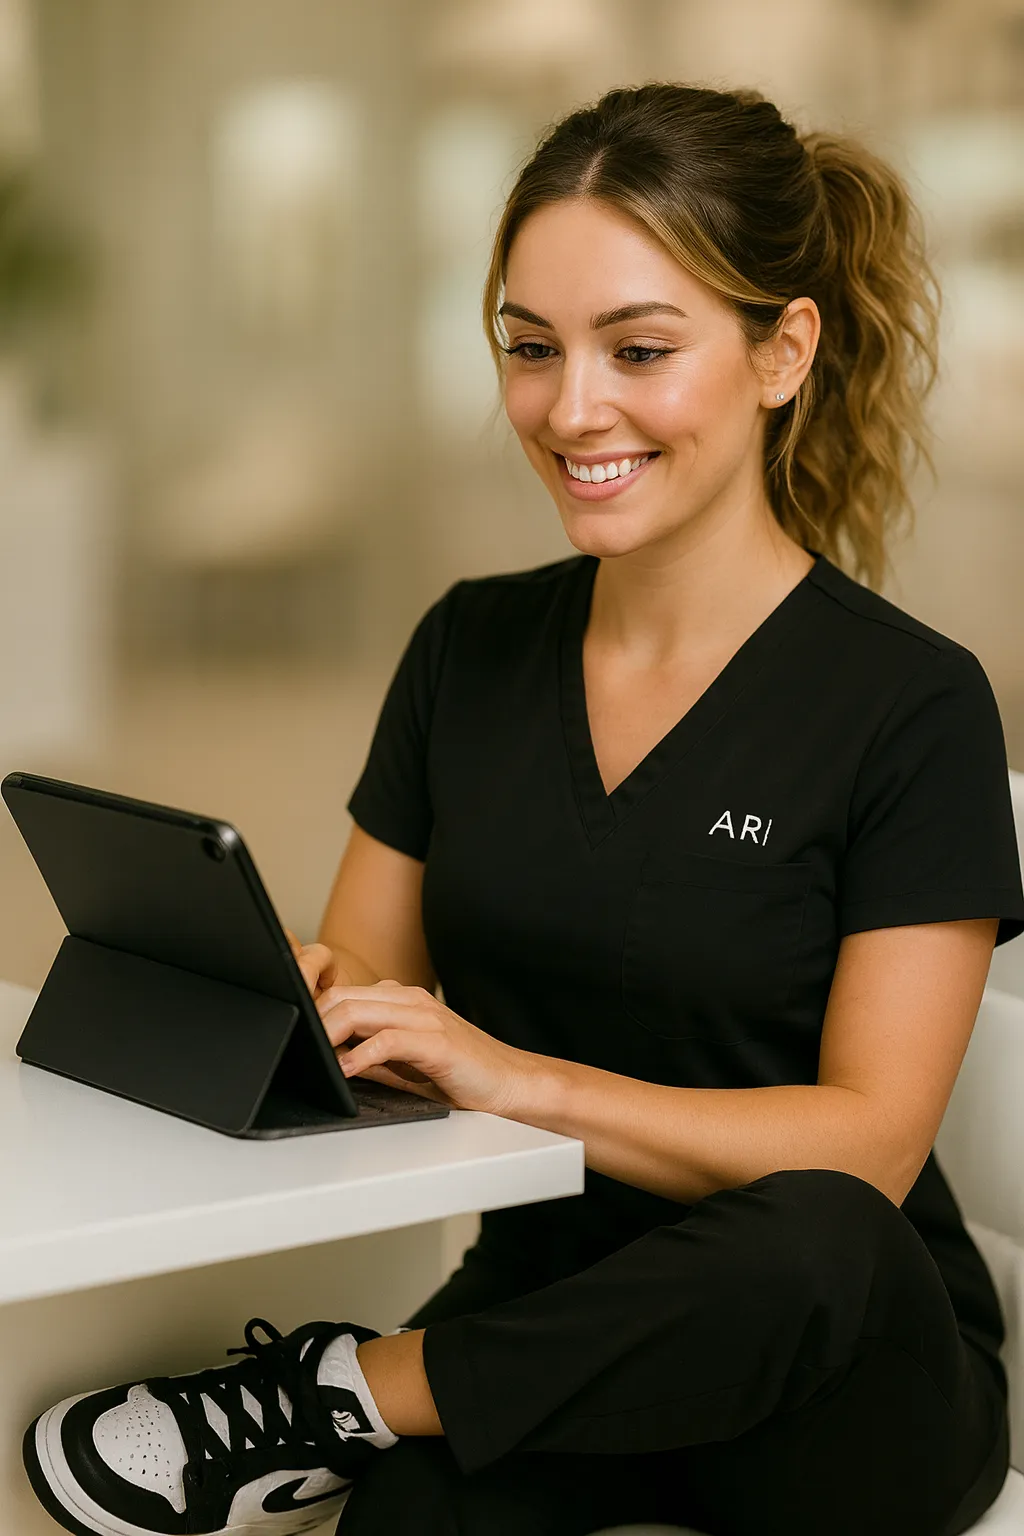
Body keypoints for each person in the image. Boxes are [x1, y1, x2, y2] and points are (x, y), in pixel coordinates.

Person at [23, 82, 1024, 1536]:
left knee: (819, 1228)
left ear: (780, 352)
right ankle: (386, 1398)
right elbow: (368, 971)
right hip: (553, 1323)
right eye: (530, 348)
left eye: (640, 350)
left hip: (838, 1366)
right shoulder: (468, 648)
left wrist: (512, 1077)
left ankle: (340, 1393)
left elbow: (867, 1148)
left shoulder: (913, 706)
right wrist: (312, 1001)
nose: (572, 409)